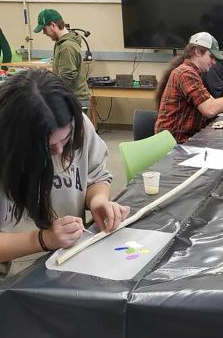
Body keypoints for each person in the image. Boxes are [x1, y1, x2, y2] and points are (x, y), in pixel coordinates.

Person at [0, 70, 129, 277]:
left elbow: (96, 177)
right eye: (47, 147)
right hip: (16, 278)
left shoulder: (77, 124)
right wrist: (43, 239)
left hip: (73, 258)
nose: (60, 151)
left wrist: (97, 200)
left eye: (66, 140)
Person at [155, 32, 223, 143]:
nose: (213, 62)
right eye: (211, 57)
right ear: (197, 52)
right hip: (174, 142)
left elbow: (214, 102)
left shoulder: (195, 73)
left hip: (185, 138)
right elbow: (210, 110)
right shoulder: (186, 73)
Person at [33, 9, 89, 108]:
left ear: (53, 25)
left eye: (44, 29)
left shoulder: (66, 46)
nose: (44, 33)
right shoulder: (61, 43)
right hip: (71, 98)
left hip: (74, 100)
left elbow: (67, 76)